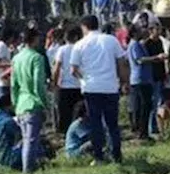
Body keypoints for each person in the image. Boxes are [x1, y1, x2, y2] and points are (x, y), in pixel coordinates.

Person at [70, 15, 129, 163]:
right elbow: (122, 63)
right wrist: (124, 82)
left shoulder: (80, 44)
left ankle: (99, 156)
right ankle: (116, 155)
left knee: (95, 123)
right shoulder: (111, 40)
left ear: (84, 27)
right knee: (112, 124)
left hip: (91, 88)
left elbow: (73, 69)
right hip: (110, 87)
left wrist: (83, 79)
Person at [11, 27, 49, 172]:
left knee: (26, 139)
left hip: (21, 103)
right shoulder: (37, 58)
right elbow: (38, 84)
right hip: (33, 103)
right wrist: (44, 102)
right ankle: (28, 171)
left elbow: (13, 85)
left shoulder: (16, 58)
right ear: (34, 39)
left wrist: (15, 103)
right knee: (31, 141)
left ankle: (27, 168)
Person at [52, 26, 83, 135]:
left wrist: (54, 83)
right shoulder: (80, 48)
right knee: (79, 114)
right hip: (79, 85)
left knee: (65, 114)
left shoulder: (62, 49)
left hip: (65, 86)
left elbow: (57, 68)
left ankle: (66, 134)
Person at [126, 26, 153, 139]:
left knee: (144, 106)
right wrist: (155, 58)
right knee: (143, 106)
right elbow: (140, 60)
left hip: (144, 79)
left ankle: (143, 131)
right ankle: (142, 132)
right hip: (140, 80)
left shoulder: (138, 44)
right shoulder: (134, 45)